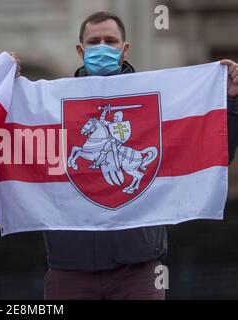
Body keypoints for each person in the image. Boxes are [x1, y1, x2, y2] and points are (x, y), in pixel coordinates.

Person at [42, 11, 238, 300]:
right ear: (80, 50)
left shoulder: (157, 98)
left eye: (110, 41)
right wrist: (5, 91)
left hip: (139, 271)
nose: (102, 48)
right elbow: (21, 151)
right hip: (68, 271)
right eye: (94, 42)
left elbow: (215, 151)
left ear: (125, 48)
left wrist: (231, 101)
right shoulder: (50, 106)